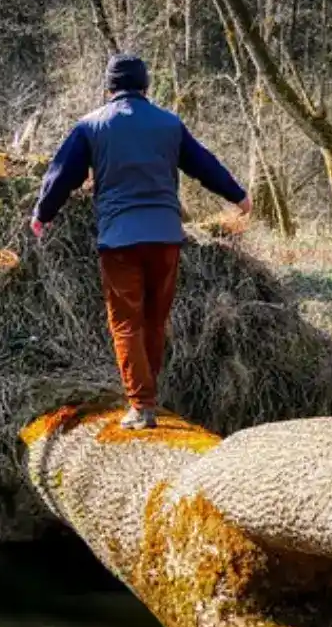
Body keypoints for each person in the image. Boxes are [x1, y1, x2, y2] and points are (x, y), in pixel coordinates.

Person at [30, 53, 252, 430]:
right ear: (146, 86)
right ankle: (148, 397)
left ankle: (141, 405)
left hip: (119, 241)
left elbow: (61, 175)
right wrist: (237, 195)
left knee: (126, 323)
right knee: (154, 320)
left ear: (109, 87)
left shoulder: (90, 126)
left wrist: (42, 214)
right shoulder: (169, 124)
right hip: (166, 237)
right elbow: (204, 164)